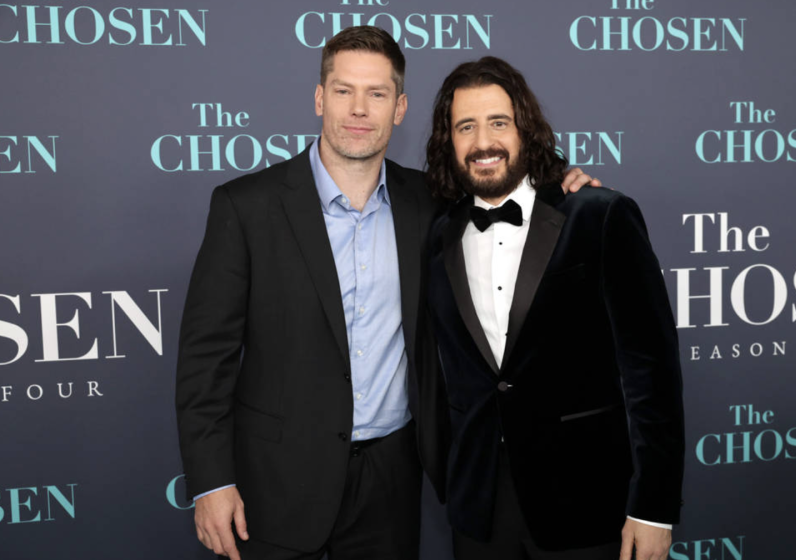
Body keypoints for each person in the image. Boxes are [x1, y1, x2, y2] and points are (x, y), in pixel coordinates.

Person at [175, 27, 600, 560]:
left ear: (399, 108)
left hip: (393, 481)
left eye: (376, 94)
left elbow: (500, 176)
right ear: (318, 98)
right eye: (343, 90)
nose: (358, 109)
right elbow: (204, 360)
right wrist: (212, 483)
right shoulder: (246, 207)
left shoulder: (430, 203)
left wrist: (563, 183)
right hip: (275, 482)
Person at [425, 57, 685, 560]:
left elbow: (652, 375)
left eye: (499, 122)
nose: (484, 142)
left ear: (526, 129)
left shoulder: (598, 214)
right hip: (478, 513)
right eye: (466, 127)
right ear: (448, 141)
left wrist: (652, 507)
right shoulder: (439, 234)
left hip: (586, 503)